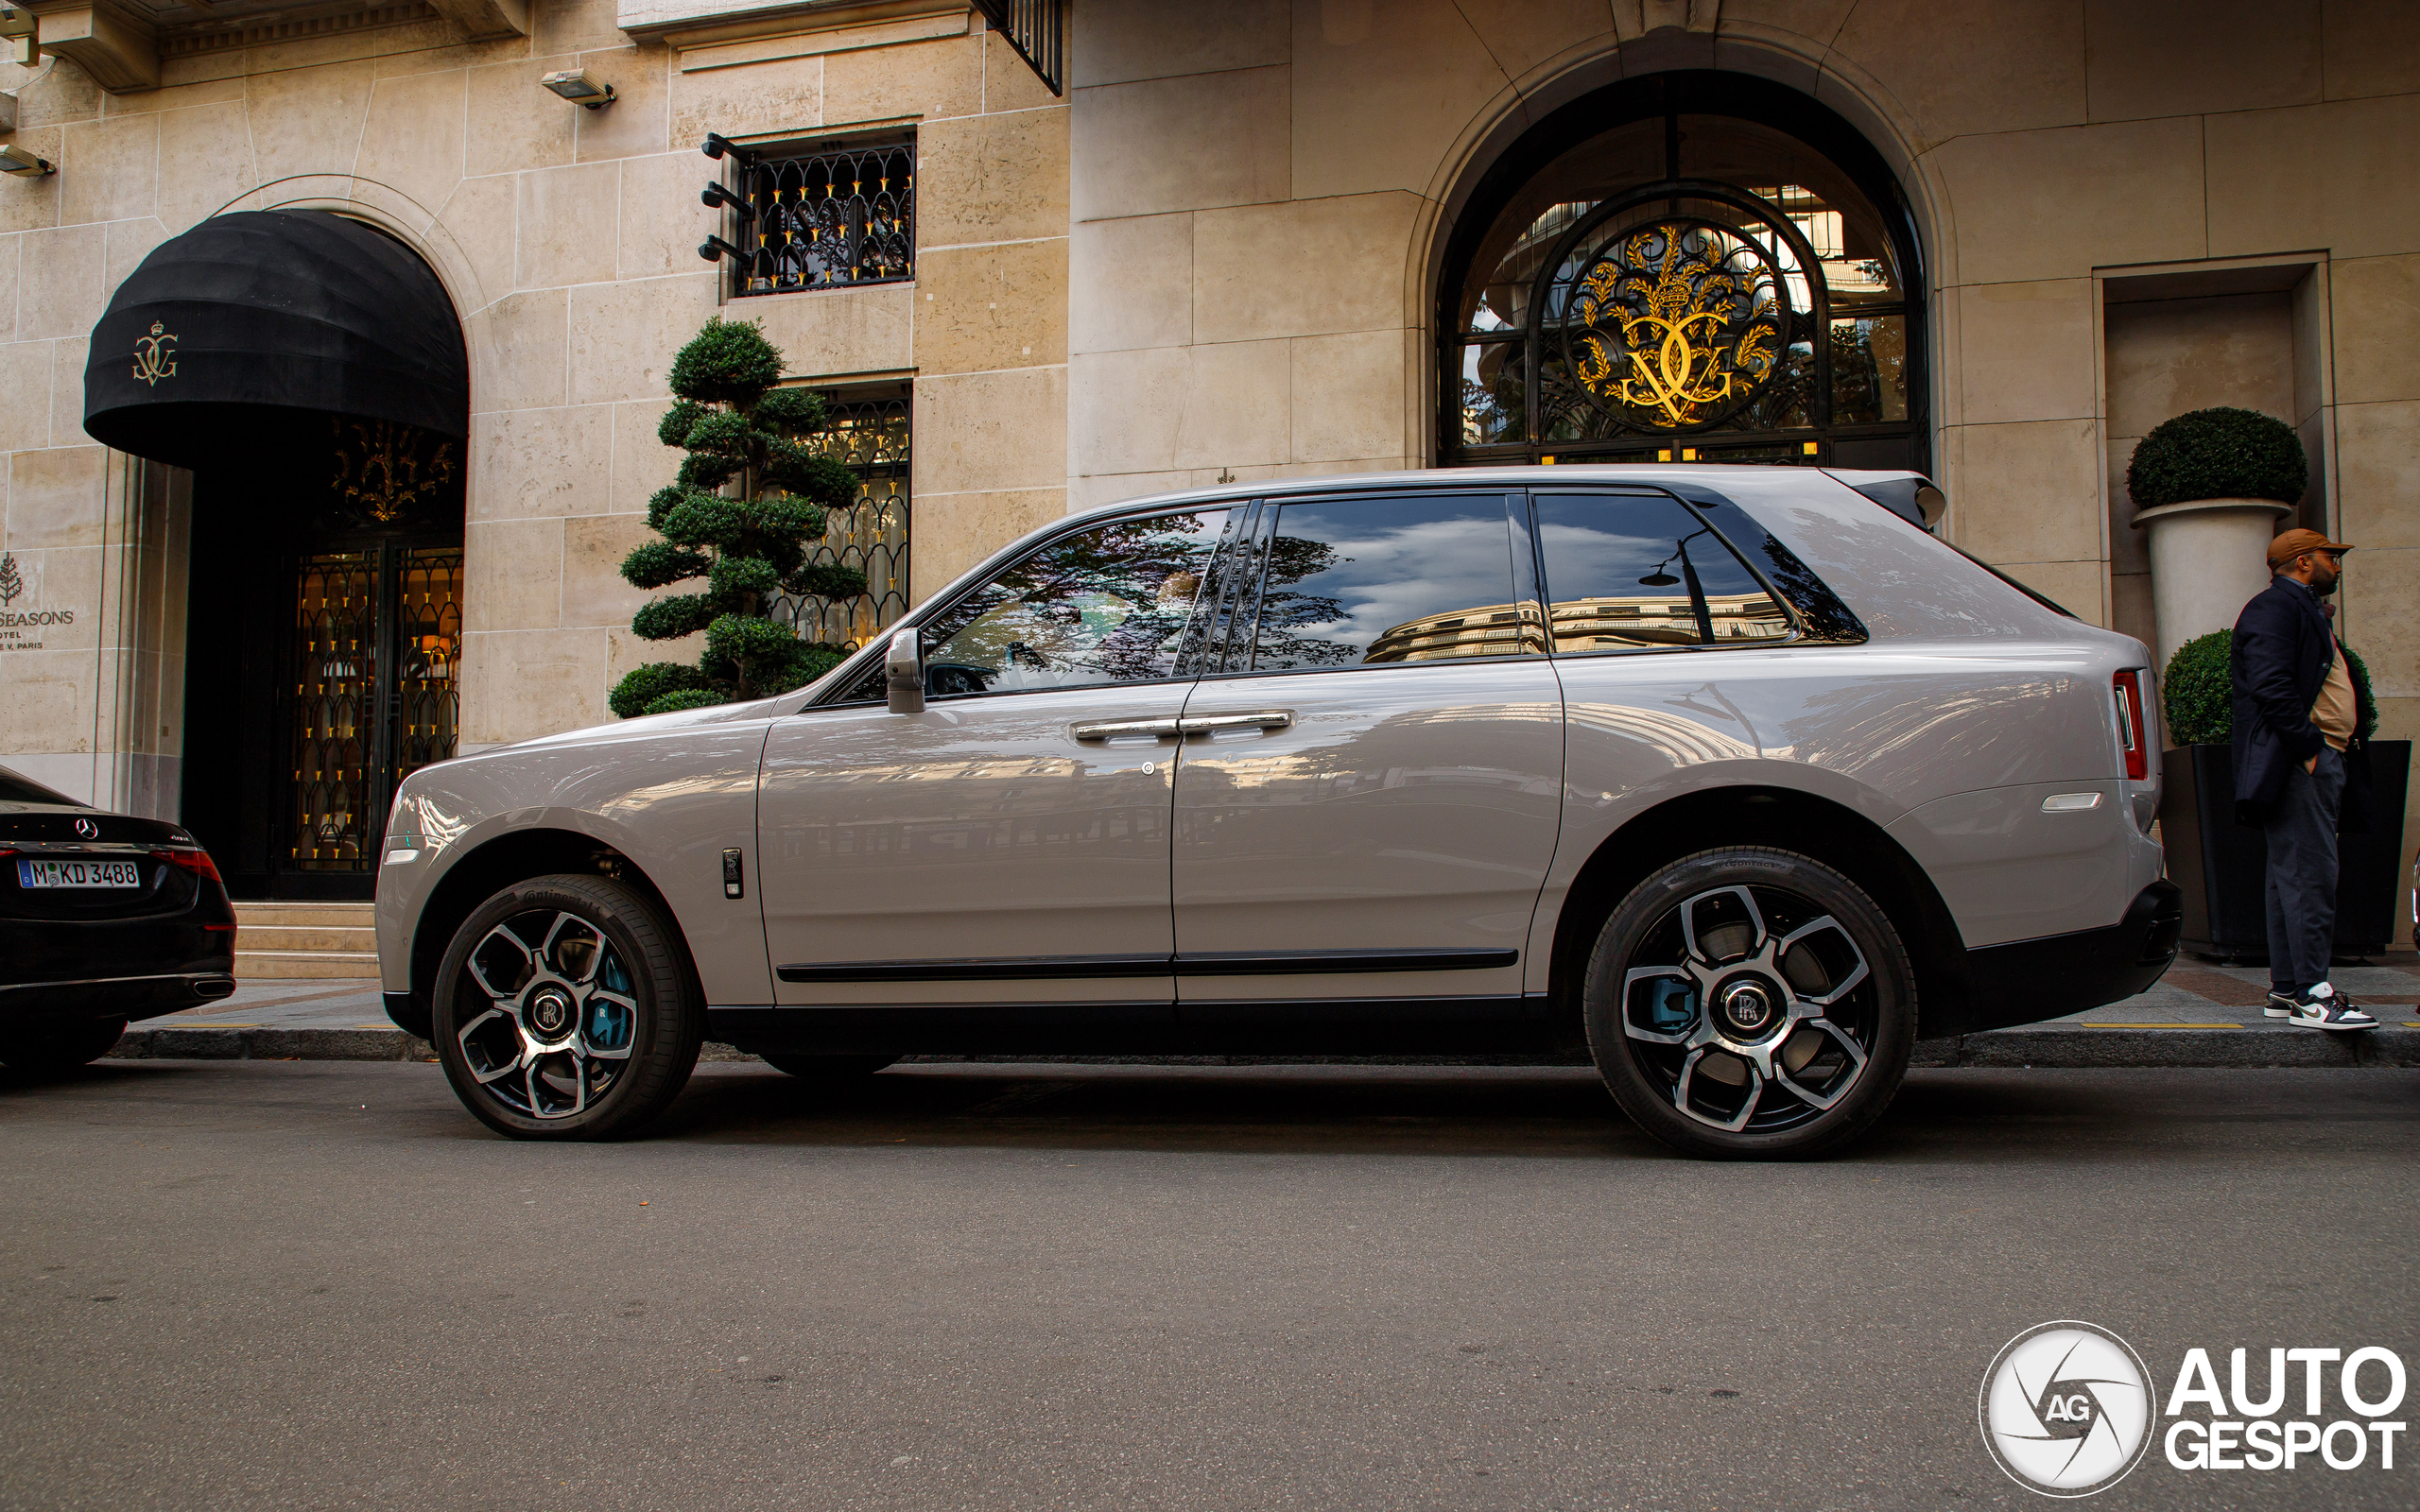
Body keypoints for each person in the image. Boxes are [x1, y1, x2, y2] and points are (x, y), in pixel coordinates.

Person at [2229, 527, 2377, 1031]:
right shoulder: (2274, 608)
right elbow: (2270, 685)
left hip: (2312, 759)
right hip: (2301, 761)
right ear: (2301, 562)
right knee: (2310, 876)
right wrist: (2310, 747)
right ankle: (2315, 994)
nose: (2337, 564)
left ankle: (2288, 989)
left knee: (2288, 876)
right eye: (2329, 556)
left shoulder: (2301, 608)